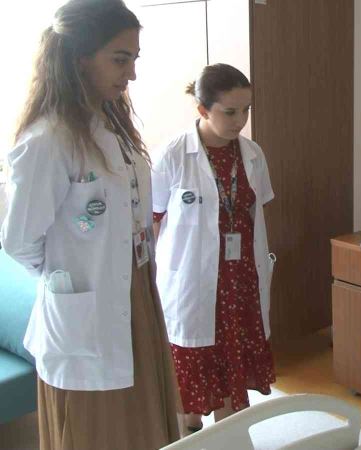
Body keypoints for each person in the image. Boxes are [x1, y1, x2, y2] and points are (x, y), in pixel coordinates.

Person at [0, 1, 180, 448]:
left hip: (136, 291)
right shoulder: (47, 140)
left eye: (134, 59)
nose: (132, 74)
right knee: (97, 431)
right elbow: (19, 242)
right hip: (87, 306)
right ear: (80, 58)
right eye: (120, 59)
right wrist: (70, 274)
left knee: (142, 422)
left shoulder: (112, 122)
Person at [151, 63, 276, 434]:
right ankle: (187, 431)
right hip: (191, 281)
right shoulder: (173, 155)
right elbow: (152, 220)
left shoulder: (252, 154)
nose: (241, 120)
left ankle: (228, 434)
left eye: (246, 110)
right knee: (192, 362)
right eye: (230, 111)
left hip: (240, 279)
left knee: (232, 358)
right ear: (203, 110)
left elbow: (255, 214)